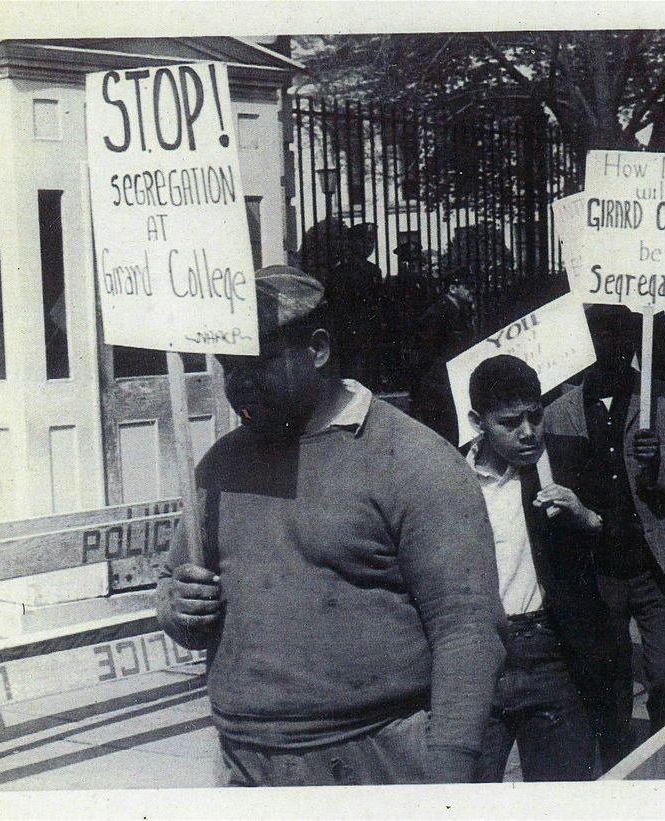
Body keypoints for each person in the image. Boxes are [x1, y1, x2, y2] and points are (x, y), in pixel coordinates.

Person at [156, 267, 507, 787]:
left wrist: (449, 772)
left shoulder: (411, 459)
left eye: (258, 362)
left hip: (375, 761)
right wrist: (177, 605)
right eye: (230, 367)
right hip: (246, 764)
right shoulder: (217, 467)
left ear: (317, 349)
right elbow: (174, 589)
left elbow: (469, 631)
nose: (242, 383)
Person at [544, 305, 665, 768]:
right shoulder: (558, 413)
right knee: (608, 682)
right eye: (600, 339)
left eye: (623, 339)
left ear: (637, 344)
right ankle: (618, 770)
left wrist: (662, 464)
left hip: (656, 565)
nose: (611, 350)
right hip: (596, 570)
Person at [465, 355, 613, 782]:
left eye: (536, 415)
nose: (528, 432)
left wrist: (586, 517)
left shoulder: (568, 460)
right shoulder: (453, 477)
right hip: (480, 654)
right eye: (510, 422)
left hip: (550, 652)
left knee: (562, 791)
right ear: (478, 421)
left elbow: (627, 551)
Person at [409, 273, 477, 443]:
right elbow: (425, 350)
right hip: (438, 384)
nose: (471, 291)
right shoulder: (438, 312)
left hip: (451, 380)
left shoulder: (460, 310)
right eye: (467, 287)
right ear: (453, 289)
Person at [326, 223, 384, 388]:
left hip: (371, 334)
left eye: (372, 241)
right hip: (350, 336)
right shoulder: (340, 273)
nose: (369, 245)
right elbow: (336, 307)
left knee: (371, 380)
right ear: (352, 243)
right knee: (353, 381)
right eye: (364, 240)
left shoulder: (374, 271)